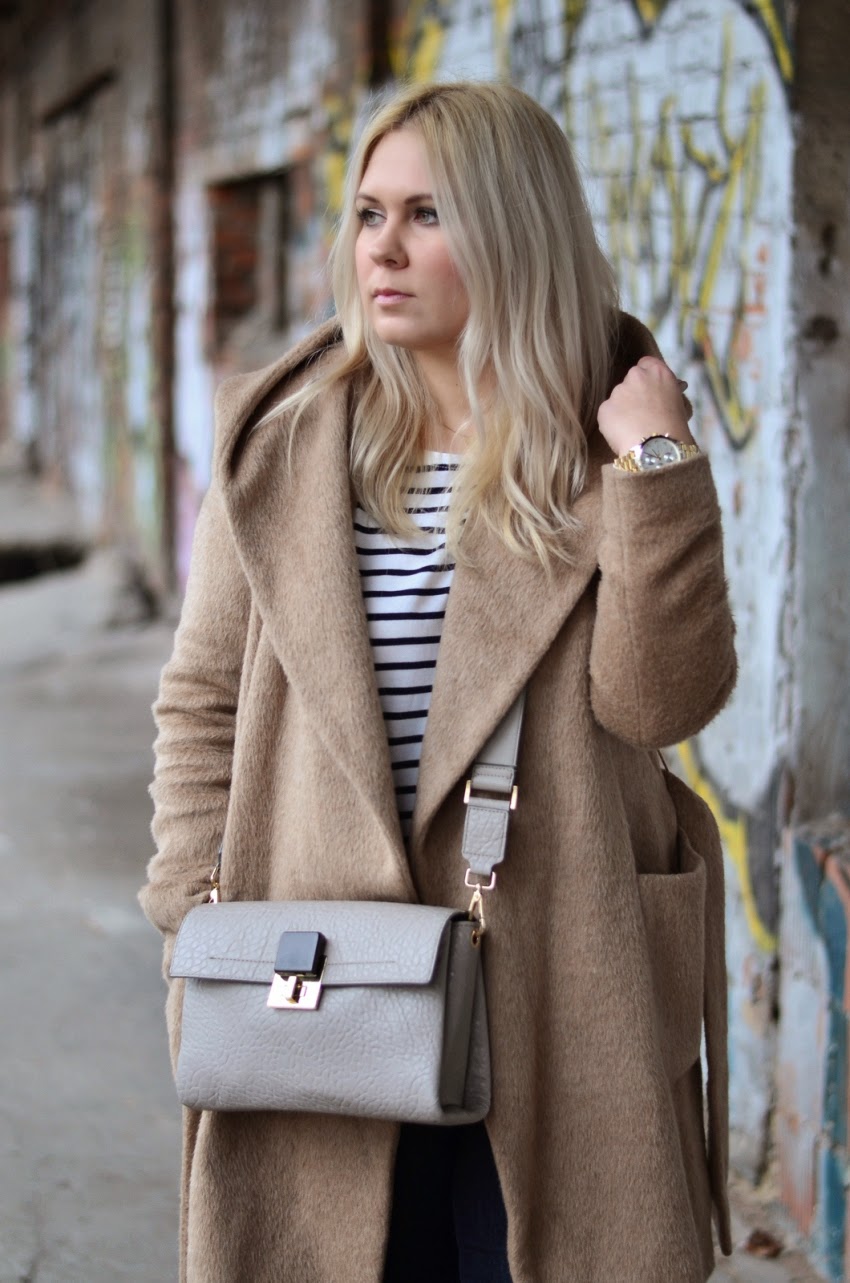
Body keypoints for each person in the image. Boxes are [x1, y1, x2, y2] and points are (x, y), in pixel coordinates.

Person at [140, 80, 736, 1283]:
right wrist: (191, 895)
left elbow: (657, 703)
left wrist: (658, 464)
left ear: (515, 232)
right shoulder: (286, 440)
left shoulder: (605, 445)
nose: (382, 248)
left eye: (426, 214)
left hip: (558, 973)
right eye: (369, 213)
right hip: (318, 975)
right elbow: (204, 694)